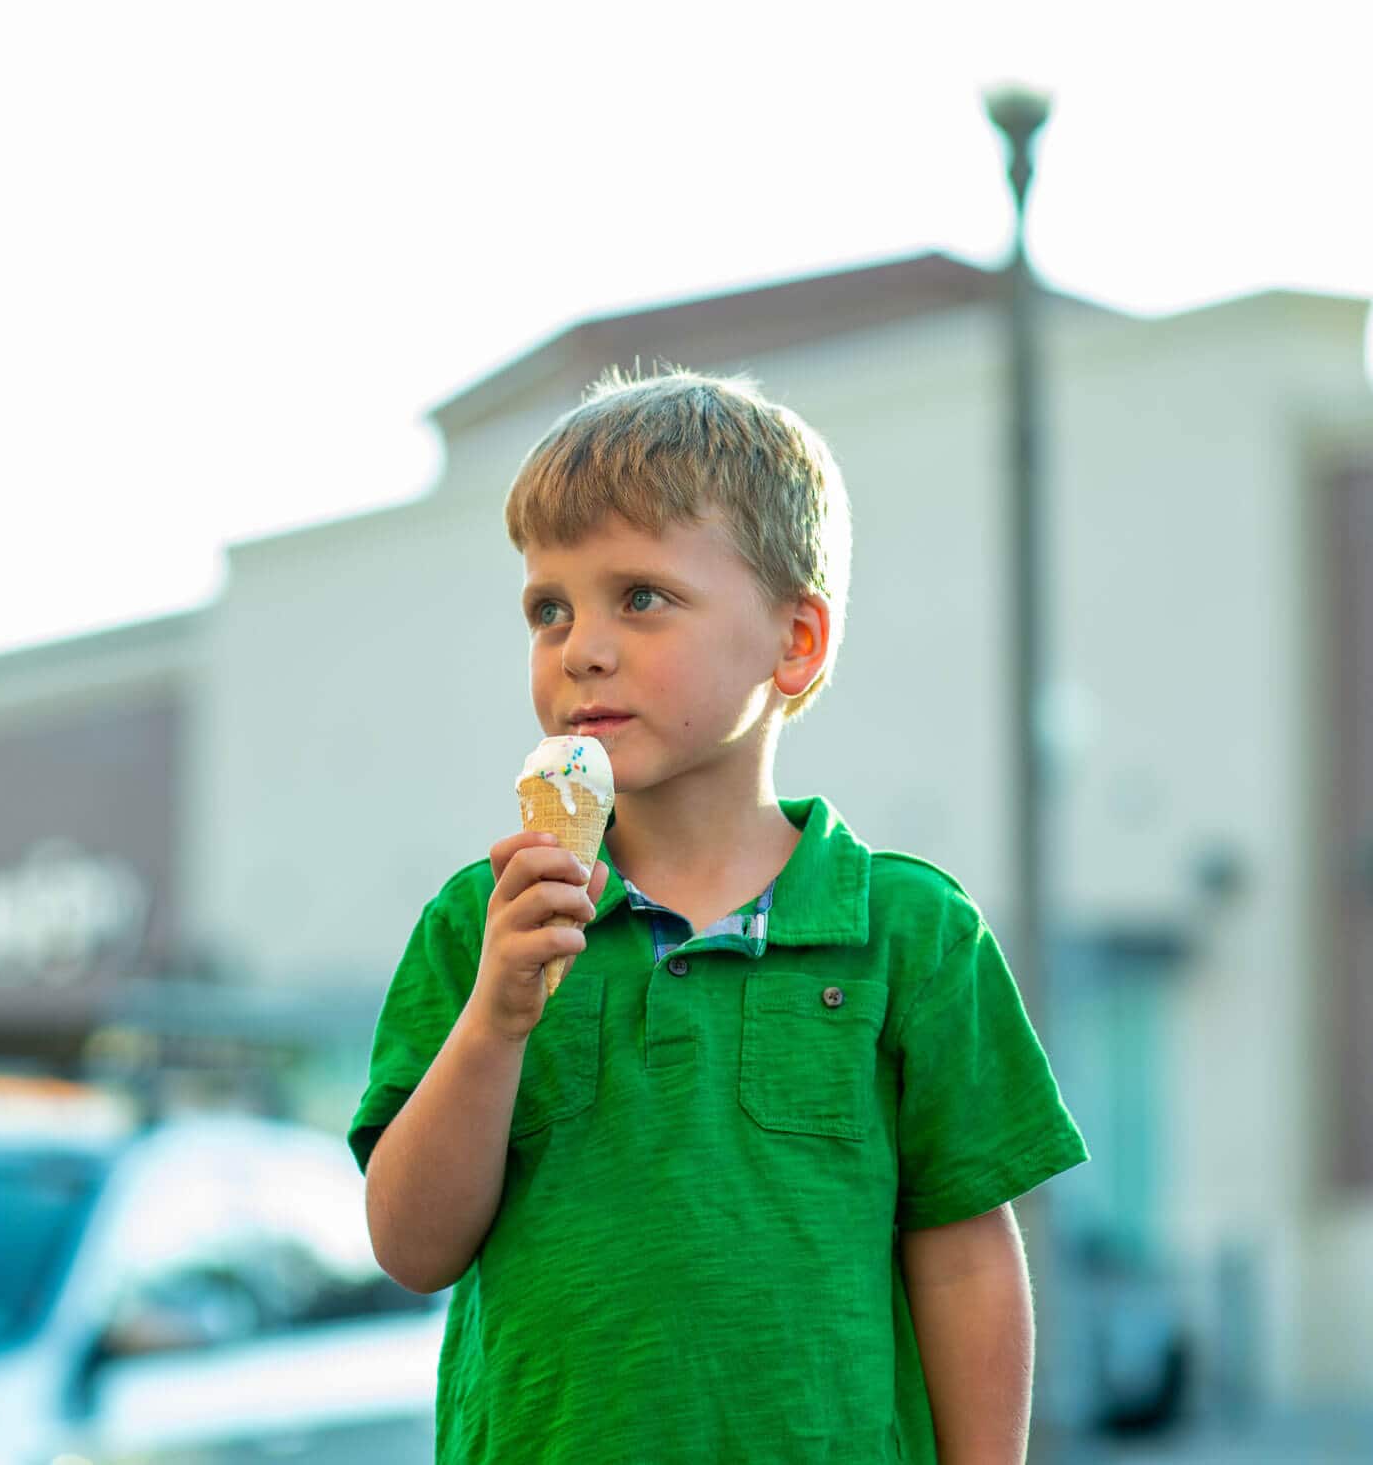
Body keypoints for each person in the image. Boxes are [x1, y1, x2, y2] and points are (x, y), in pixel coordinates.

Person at [349, 367, 1089, 1464]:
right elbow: (411, 1247)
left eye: (639, 597)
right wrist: (495, 1021)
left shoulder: (908, 931)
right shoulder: (484, 919)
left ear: (794, 642)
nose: (580, 647)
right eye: (548, 609)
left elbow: (965, 1256)